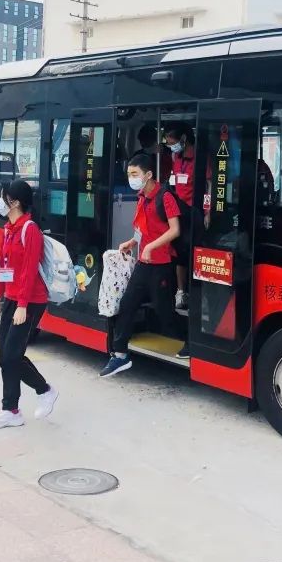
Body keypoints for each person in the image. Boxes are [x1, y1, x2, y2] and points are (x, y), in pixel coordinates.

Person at [0, 179, 57, 428]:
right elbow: (3, 267)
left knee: (12, 356)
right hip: (12, 298)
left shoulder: (30, 230)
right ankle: (11, 411)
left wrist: (23, 305)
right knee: (4, 357)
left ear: (14, 202)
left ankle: (45, 390)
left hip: (31, 300)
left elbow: (28, 270)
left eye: (3, 196)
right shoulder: (9, 229)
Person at [100, 154, 181, 377]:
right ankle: (120, 355)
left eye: (135, 174)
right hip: (143, 264)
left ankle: (189, 343)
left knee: (164, 311)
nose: (131, 178)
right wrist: (133, 242)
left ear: (148, 175)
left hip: (162, 264)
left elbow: (175, 230)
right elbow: (142, 229)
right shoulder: (141, 197)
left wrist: (151, 246)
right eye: (129, 174)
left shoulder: (165, 197)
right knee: (127, 304)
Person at [164, 125, 195, 313]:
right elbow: (174, 181)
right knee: (179, 254)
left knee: (192, 254)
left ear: (183, 138)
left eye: (172, 142)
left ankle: (196, 291)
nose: (171, 146)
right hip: (179, 210)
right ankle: (181, 291)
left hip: (194, 211)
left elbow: (209, 183)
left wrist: (208, 212)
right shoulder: (176, 157)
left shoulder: (198, 157)